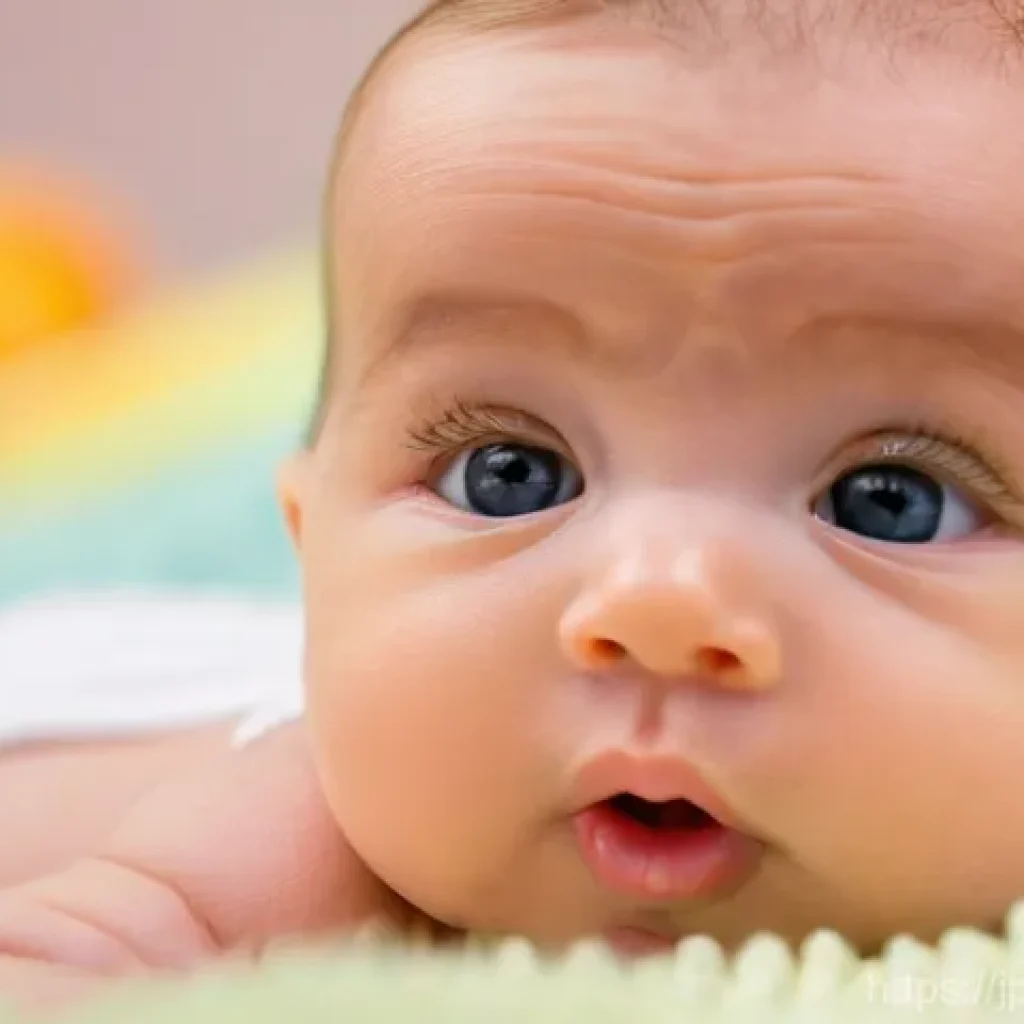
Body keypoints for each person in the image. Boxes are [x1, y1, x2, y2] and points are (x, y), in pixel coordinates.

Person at [6, 0, 1024, 1009]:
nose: (660, 606)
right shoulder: (295, 842)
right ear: (314, 558)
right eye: (509, 475)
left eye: (890, 502)